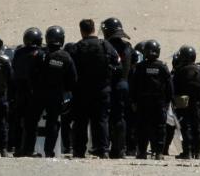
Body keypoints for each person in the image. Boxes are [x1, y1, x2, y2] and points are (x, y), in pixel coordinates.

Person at [69, 19, 121, 159]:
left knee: (80, 121)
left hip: (81, 91)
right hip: (102, 90)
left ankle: (79, 150)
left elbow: (70, 69)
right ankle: (103, 149)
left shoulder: (77, 47)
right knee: (101, 120)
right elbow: (117, 63)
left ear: (81, 31)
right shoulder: (105, 45)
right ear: (93, 29)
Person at [26, 25, 77, 158]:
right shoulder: (65, 56)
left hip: (38, 93)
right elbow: (72, 79)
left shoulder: (39, 53)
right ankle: (49, 151)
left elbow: (31, 74)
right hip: (55, 94)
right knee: (52, 122)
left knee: (32, 121)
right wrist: (65, 90)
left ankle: (28, 149)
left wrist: (34, 88)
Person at [130, 39, 172, 160]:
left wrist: (133, 101)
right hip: (158, 103)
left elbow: (133, 86)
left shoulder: (140, 67)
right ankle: (158, 152)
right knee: (159, 128)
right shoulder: (163, 67)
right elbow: (169, 86)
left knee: (142, 127)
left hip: (143, 103)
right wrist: (168, 101)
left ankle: (142, 152)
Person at [100, 18, 133, 159]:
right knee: (120, 117)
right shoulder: (128, 46)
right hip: (124, 85)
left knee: (105, 117)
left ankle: (105, 148)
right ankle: (119, 149)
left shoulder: (105, 46)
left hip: (109, 84)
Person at [9, 28, 43, 156]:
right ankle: (29, 149)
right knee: (31, 123)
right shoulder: (40, 53)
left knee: (19, 122)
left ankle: (18, 148)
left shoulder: (18, 52)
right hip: (33, 92)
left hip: (19, 91)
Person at [172, 46, 200, 159]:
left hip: (183, 103)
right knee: (197, 127)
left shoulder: (180, 70)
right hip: (197, 103)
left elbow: (174, 87)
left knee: (186, 127)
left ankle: (187, 152)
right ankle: (198, 153)